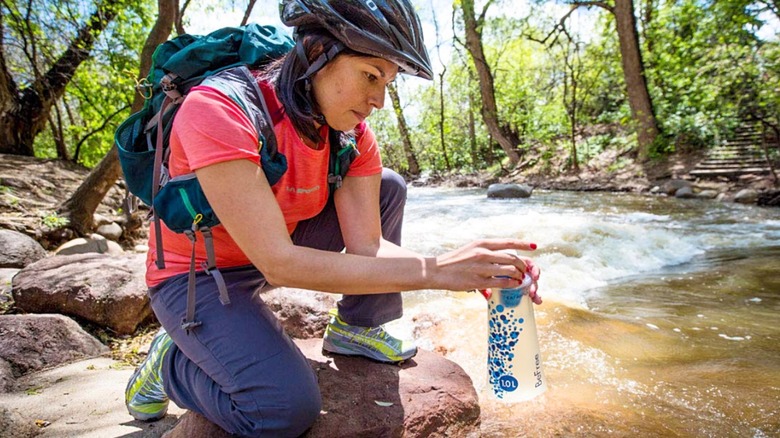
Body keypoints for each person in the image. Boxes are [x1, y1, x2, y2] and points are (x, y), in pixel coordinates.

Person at [124, 0, 542, 436]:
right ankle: (169, 362)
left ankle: (357, 326)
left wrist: (473, 270)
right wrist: (436, 272)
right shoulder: (220, 109)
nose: (379, 100)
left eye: (388, 82)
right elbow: (279, 263)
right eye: (370, 75)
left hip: (275, 243)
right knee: (280, 411)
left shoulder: (350, 134)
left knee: (388, 187)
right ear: (318, 52)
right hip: (199, 275)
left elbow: (369, 246)